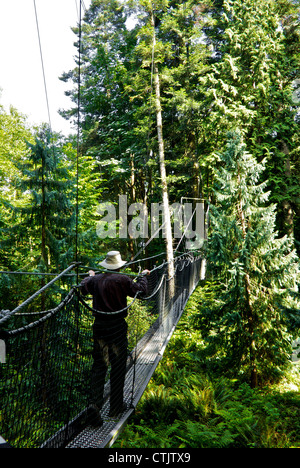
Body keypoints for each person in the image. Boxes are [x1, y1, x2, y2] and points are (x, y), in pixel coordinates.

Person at [80, 251, 150, 427]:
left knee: (99, 366)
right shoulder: (124, 280)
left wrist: (89, 276)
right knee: (118, 367)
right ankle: (115, 408)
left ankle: (93, 405)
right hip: (117, 327)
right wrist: (142, 277)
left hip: (100, 327)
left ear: (106, 265)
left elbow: (82, 287)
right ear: (119, 265)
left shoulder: (96, 281)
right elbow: (141, 292)